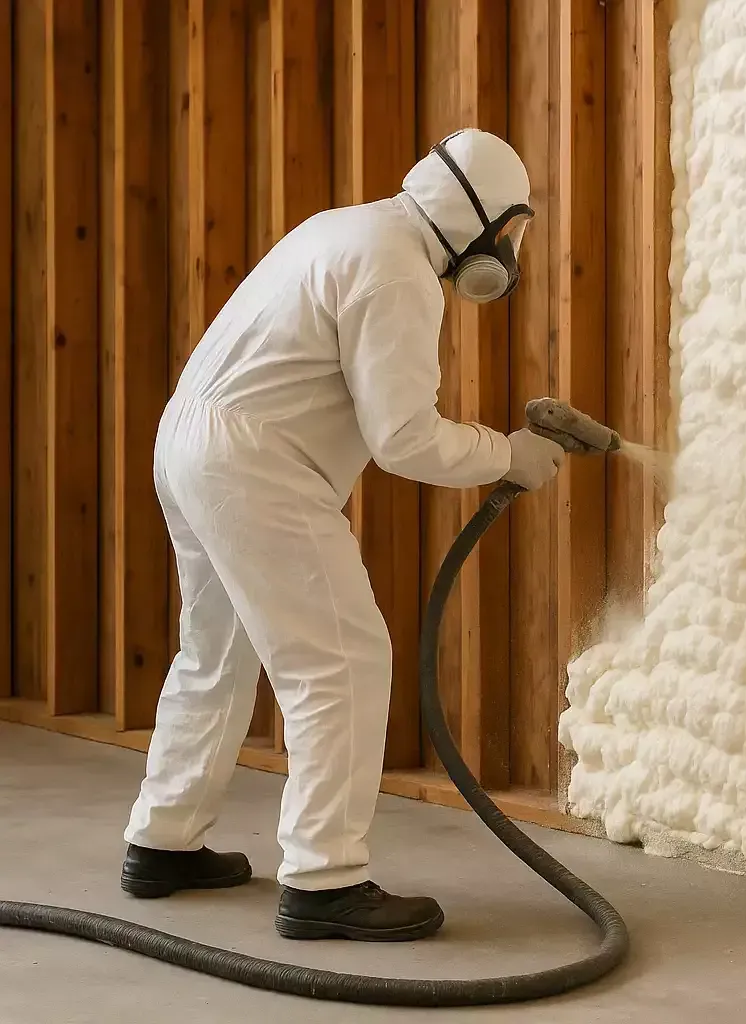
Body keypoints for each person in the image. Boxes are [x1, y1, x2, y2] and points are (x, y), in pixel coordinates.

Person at [118, 129, 566, 942]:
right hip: (258, 463)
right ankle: (326, 881)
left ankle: (165, 841)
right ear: (476, 221)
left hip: (189, 440)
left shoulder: (345, 227)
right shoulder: (398, 273)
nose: (507, 254)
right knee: (343, 663)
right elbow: (402, 438)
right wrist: (511, 455)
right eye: (507, 231)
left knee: (214, 652)